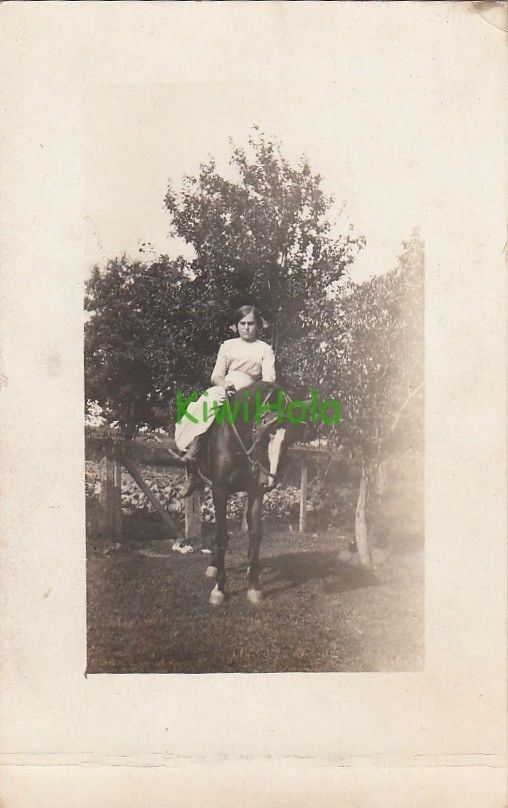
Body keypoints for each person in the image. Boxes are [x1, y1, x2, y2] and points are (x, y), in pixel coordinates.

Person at [176, 305, 276, 496]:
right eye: (242, 323)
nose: (246, 328)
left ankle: (265, 473)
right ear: (236, 325)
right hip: (227, 387)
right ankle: (194, 456)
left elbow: (269, 379)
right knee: (212, 398)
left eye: (251, 324)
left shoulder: (265, 349)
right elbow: (216, 375)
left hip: (252, 393)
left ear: (258, 326)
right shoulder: (228, 345)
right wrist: (224, 385)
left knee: (271, 425)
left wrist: (250, 392)